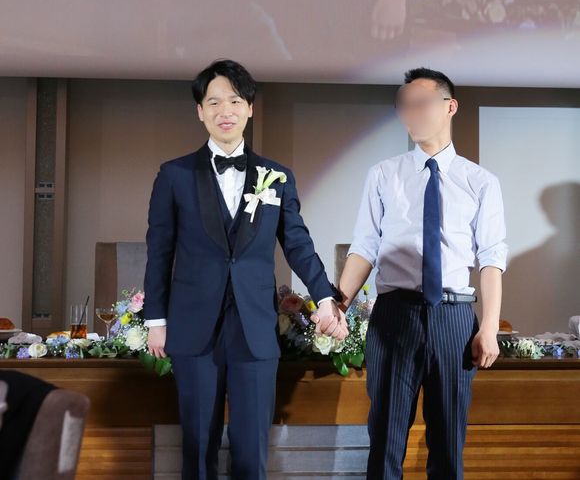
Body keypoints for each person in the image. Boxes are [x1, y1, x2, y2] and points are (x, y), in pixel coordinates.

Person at [143, 59, 347, 480]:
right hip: (194, 327)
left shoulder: (278, 177)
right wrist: (156, 320)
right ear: (200, 111)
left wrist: (326, 297)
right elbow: (159, 251)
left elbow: (298, 244)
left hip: (254, 328)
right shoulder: (174, 175)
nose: (225, 111)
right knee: (197, 449)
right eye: (214, 102)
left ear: (250, 108)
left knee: (252, 451)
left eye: (235, 101)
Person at [337, 67, 508, 479]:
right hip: (394, 315)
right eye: (404, 105)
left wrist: (488, 327)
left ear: (450, 107)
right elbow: (364, 246)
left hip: (454, 317)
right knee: (385, 441)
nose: (410, 113)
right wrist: (337, 305)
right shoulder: (383, 174)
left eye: (421, 103)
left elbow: (490, 259)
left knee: (448, 444)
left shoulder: (480, 182)